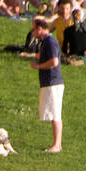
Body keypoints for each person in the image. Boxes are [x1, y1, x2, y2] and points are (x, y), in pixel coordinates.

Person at [30, 17, 64, 153]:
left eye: (33, 29)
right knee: (54, 113)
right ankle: (57, 144)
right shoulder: (46, 42)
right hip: (50, 83)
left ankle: (57, 145)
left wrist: (38, 66)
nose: (32, 32)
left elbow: (54, 62)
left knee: (55, 114)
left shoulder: (50, 42)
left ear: (39, 28)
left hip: (52, 83)